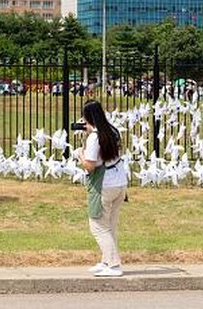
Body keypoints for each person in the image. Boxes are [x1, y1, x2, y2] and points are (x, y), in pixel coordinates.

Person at [79, 99, 126, 278]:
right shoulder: (112, 131)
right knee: (110, 225)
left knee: (98, 225)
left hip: (104, 185)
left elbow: (90, 165)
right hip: (119, 182)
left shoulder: (94, 137)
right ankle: (106, 261)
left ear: (88, 117)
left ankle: (114, 265)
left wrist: (80, 154)